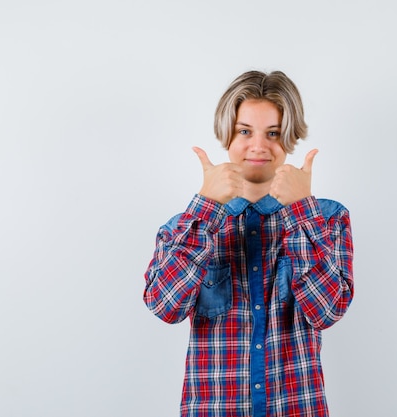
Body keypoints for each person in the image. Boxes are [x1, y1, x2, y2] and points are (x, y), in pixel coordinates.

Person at [143, 70, 354, 417]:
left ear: (290, 138)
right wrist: (206, 209)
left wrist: (300, 211)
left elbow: (327, 310)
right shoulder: (186, 226)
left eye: (273, 133)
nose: (258, 146)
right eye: (245, 131)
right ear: (226, 134)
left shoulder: (326, 219)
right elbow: (166, 307)